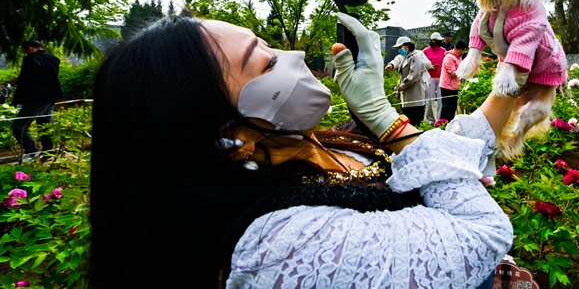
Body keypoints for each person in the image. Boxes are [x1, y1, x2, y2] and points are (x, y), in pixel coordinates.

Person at [90, 15, 515, 288]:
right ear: (227, 137)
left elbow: (448, 160)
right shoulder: (280, 245)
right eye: (265, 62)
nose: (293, 54)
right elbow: (481, 233)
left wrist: (516, 77)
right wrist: (389, 122)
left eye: (269, 45)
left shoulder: (322, 141)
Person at [10, 40, 63, 159]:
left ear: (30, 48)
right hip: (51, 95)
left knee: (19, 126)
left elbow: (28, 77)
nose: (26, 53)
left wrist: (16, 81)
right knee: (45, 126)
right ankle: (48, 152)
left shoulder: (33, 59)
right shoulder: (52, 59)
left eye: (26, 51)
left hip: (36, 97)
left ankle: (32, 151)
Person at [393, 38, 428, 126]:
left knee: (415, 124)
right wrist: (398, 90)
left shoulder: (415, 57)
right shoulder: (405, 58)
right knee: (408, 125)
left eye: (400, 47)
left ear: (407, 46)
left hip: (415, 98)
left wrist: (403, 86)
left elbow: (413, 76)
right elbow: (402, 77)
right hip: (407, 99)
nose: (399, 50)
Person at [440, 40, 467, 121]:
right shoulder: (449, 57)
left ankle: (450, 125)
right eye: (461, 50)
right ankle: (443, 125)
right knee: (447, 109)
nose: (463, 52)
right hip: (447, 87)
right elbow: (452, 72)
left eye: (464, 50)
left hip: (455, 87)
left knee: (453, 108)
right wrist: (463, 72)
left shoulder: (459, 57)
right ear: (455, 48)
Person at [422, 32, 446, 123]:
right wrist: (430, 67)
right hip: (429, 77)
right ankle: (430, 120)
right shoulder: (425, 51)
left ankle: (440, 119)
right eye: (438, 40)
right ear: (433, 40)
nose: (440, 41)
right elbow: (421, 64)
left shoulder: (443, 50)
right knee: (430, 99)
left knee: (441, 99)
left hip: (441, 77)